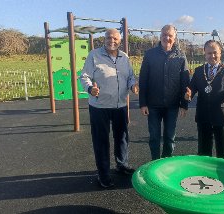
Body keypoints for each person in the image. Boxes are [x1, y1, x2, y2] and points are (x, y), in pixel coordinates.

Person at [80, 29, 139, 188]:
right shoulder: (94, 55)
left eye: (115, 38)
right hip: (100, 106)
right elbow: (84, 76)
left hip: (120, 105)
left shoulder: (124, 57)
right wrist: (90, 88)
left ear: (119, 41)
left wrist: (132, 84)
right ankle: (104, 174)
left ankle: (122, 164)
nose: (111, 40)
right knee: (101, 141)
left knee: (122, 137)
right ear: (104, 39)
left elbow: (130, 76)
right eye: (108, 37)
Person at [139, 24, 190, 160]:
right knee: (154, 138)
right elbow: (143, 79)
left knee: (169, 138)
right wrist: (143, 103)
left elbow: (185, 82)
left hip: (172, 106)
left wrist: (184, 104)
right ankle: (154, 164)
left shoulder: (181, 56)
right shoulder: (150, 55)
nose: (167, 38)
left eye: (170, 35)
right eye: (164, 35)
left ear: (175, 37)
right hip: (153, 105)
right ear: (160, 36)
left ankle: (165, 164)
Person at [184, 40, 224, 159]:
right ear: (205, 54)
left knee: (223, 153)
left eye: (215, 52)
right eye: (209, 53)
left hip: (221, 116)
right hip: (203, 116)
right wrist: (188, 95)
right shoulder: (199, 70)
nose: (212, 56)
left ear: (220, 53)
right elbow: (192, 88)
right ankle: (205, 176)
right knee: (203, 153)